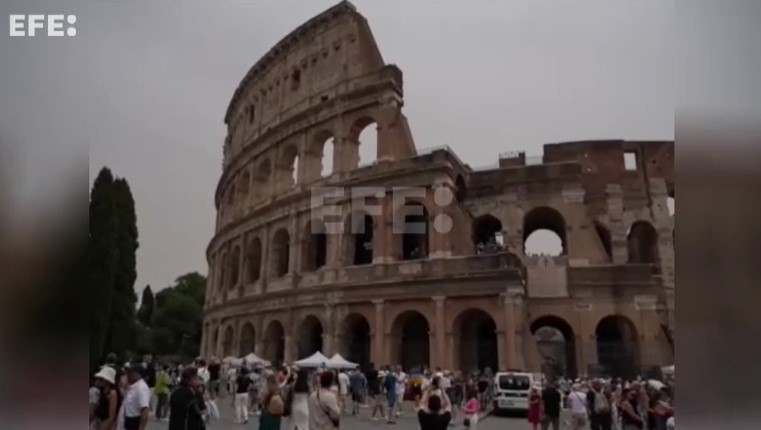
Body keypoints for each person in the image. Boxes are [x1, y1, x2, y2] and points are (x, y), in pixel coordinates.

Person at [117, 365, 150, 430]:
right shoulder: (132, 386)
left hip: (132, 424)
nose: (128, 375)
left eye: (130, 373)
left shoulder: (141, 388)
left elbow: (144, 410)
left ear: (137, 374)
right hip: (125, 423)